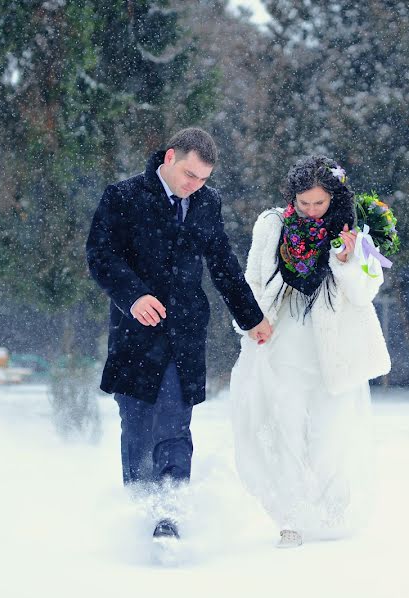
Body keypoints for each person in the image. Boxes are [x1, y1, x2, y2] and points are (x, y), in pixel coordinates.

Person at [86, 128, 272, 542]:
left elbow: (223, 265)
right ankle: (139, 516)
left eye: (203, 179)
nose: (195, 186)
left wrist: (251, 317)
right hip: (135, 336)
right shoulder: (123, 197)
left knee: (174, 425)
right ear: (170, 158)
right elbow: (100, 255)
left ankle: (169, 517)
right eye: (190, 175)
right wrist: (133, 296)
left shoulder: (207, 203)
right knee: (137, 428)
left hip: (184, 337)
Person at [229, 155, 391, 548]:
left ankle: (328, 509)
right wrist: (251, 322)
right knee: (283, 432)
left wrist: (346, 260)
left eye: (319, 203)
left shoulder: (357, 231)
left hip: (333, 351)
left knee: (329, 435)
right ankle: (290, 520)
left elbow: (366, 291)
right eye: (304, 203)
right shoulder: (272, 225)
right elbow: (252, 279)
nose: (312, 210)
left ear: (333, 198)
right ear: (292, 198)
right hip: (282, 346)